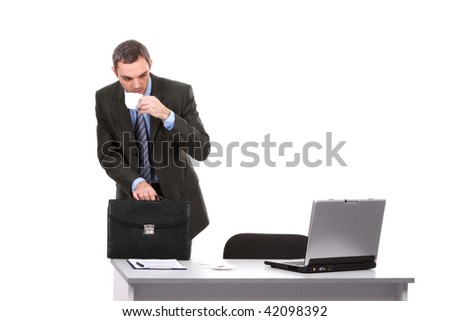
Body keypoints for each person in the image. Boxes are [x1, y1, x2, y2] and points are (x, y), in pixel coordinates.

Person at [96, 39, 210, 238]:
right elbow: (108, 154)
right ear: (115, 72)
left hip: (177, 197)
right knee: (131, 264)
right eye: (127, 78)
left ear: (150, 64)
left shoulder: (179, 93)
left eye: (142, 75)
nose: (137, 85)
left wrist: (168, 116)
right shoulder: (104, 98)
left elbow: (202, 150)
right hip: (132, 196)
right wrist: (136, 182)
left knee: (177, 265)